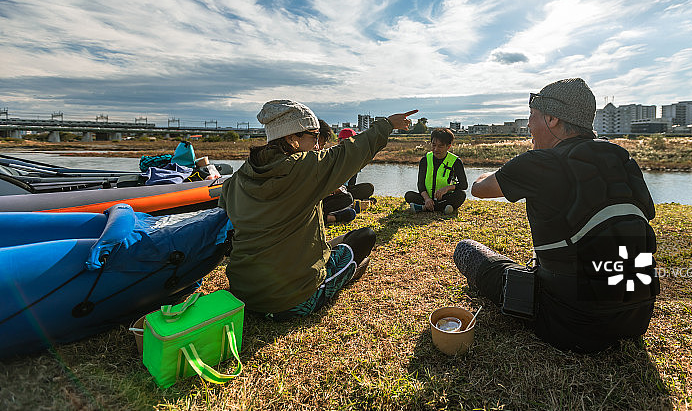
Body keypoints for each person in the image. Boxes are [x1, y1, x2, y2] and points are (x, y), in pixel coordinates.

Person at [453, 78, 659, 352]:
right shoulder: (622, 160)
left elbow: (478, 189)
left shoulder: (540, 163)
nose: (528, 125)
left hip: (571, 325)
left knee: (465, 250)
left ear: (552, 119)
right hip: (636, 319)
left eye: (531, 116)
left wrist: (509, 168)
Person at [219, 100, 416, 321]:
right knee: (365, 239)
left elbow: (224, 221)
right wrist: (387, 124)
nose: (317, 145)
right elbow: (351, 152)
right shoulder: (305, 167)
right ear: (291, 138)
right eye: (314, 136)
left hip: (243, 294)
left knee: (333, 243)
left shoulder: (240, 176)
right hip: (290, 301)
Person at [404, 128, 467, 214]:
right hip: (427, 198)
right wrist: (427, 199)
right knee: (409, 195)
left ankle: (424, 208)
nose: (436, 149)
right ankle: (442, 207)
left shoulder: (456, 162)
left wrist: (447, 188)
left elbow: (464, 185)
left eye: (440, 146)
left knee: (461, 195)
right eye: (433, 145)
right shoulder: (425, 160)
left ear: (448, 146)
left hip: (446, 197)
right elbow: (420, 184)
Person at [337, 128, 375, 201]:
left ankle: (352, 200)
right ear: (339, 142)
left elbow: (352, 185)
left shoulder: (356, 160)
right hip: (333, 191)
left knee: (368, 188)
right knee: (347, 197)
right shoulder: (333, 156)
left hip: (346, 190)